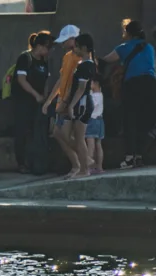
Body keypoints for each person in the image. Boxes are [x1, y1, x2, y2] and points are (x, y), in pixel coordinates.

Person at [99, 20, 156, 169]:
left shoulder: (124, 47)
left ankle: (130, 157)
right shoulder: (149, 47)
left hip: (133, 85)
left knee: (130, 120)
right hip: (150, 85)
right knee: (144, 120)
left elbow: (105, 60)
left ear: (128, 33)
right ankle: (139, 156)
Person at [43, 25, 83, 174]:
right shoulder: (67, 57)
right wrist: (50, 100)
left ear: (72, 39)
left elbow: (76, 83)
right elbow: (61, 79)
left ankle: (82, 163)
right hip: (63, 101)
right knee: (59, 133)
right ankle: (79, 163)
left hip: (73, 102)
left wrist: (67, 102)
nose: (62, 44)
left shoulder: (80, 57)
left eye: (65, 41)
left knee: (65, 134)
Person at [11, 31, 52, 172]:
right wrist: (35, 95)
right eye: (47, 47)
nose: (48, 51)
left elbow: (46, 79)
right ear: (40, 46)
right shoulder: (25, 58)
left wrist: (45, 96)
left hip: (38, 102)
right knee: (22, 130)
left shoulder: (44, 62)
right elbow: (21, 80)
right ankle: (21, 163)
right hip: (23, 101)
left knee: (37, 132)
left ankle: (35, 162)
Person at [64, 33, 97, 179]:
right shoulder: (84, 63)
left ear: (83, 48)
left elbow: (81, 88)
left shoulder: (86, 65)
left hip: (82, 102)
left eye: (76, 46)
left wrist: (71, 105)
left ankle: (84, 169)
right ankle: (84, 165)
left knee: (79, 137)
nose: (74, 49)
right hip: (81, 102)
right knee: (71, 136)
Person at [86, 70, 106, 174]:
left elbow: (91, 106)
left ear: (96, 83)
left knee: (91, 144)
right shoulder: (101, 94)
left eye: (91, 83)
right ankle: (99, 167)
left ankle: (89, 166)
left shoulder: (95, 96)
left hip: (92, 121)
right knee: (98, 144)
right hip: (100, 121)